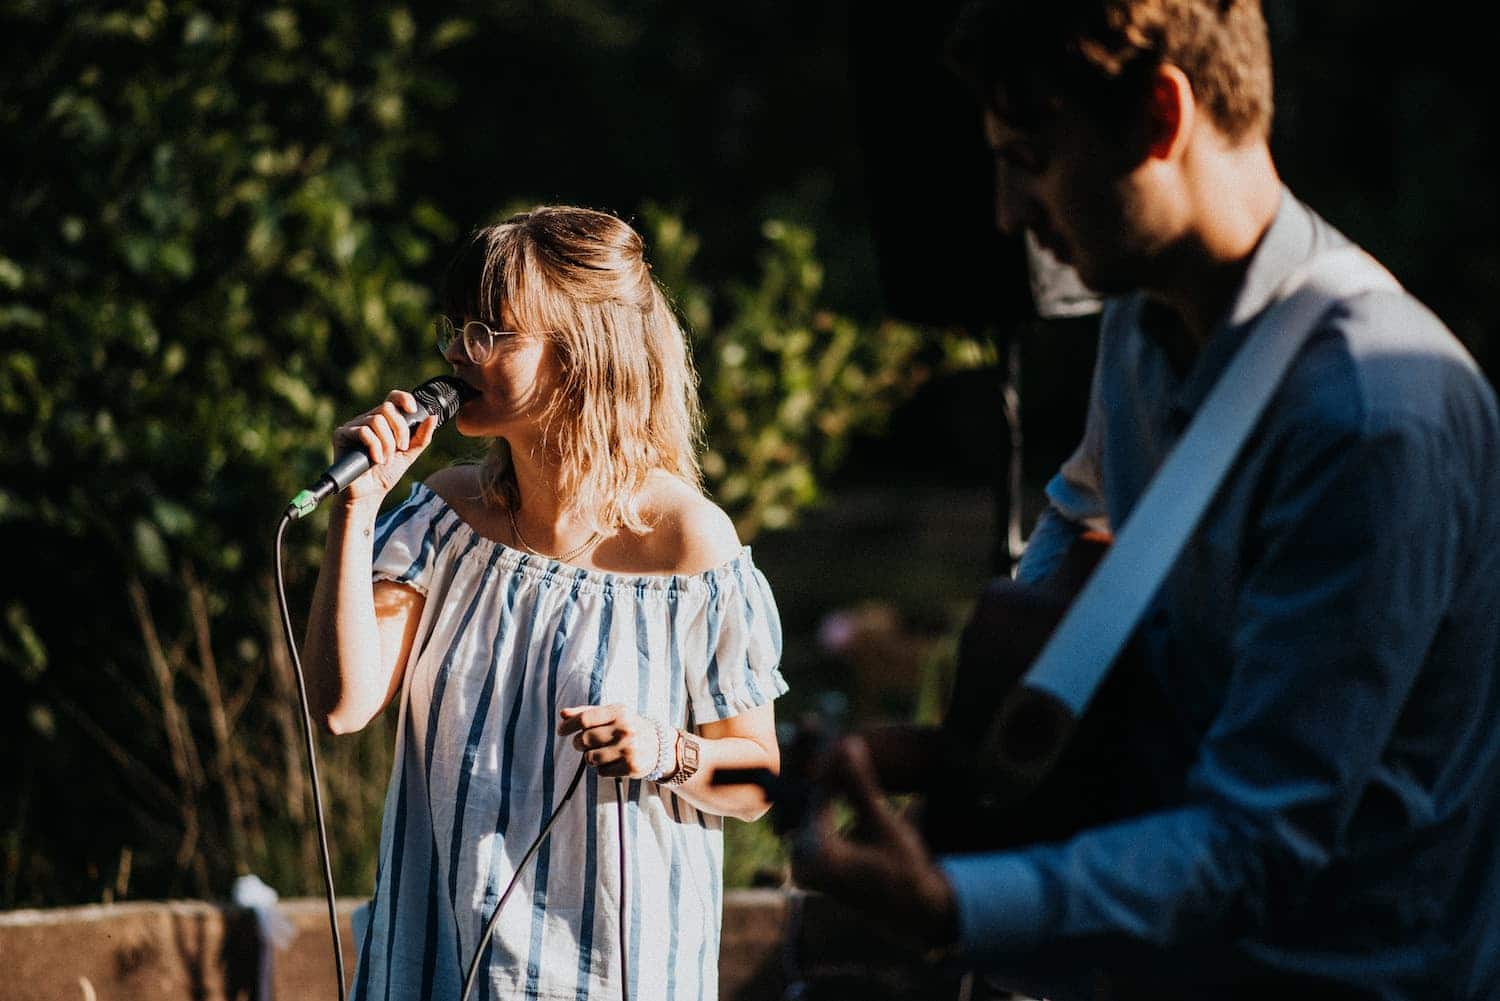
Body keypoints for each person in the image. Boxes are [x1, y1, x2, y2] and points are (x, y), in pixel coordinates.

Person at [791, 1, 1500, 998]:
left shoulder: (1372, 416)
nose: (1007, 210)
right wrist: (973, 745)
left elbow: (1257, 838)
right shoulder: (1139, 324)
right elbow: (1084, 525)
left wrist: (955, 902)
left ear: (1162, 117)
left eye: (1031, 153)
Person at [302, 205, 787, 1000]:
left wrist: (668, 751)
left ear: (584, 356)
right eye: (456, 328)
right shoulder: (444, 517)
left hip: (612, 972)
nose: (460, 352)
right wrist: (359, 509)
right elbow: (343, 704)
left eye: (491, 332)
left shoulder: (690, 543)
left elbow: (760, 777)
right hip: (436, 965)